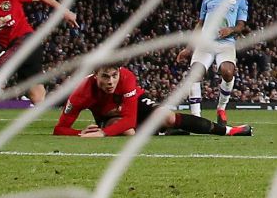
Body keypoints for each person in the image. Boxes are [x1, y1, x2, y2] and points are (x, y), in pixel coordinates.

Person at [53, 65, 252, 137]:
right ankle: (161, 131)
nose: (111, 81)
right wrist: (81, 133)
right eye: (105, 76)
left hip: (135, 102)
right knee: (127, 132)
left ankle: (228, 131)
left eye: (114, 75)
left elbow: (129, 119)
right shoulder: (81, 93)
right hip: (109, 115)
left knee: (165, 117)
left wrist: (103, 133)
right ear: (95, 75)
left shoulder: (127, 78)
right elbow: (60, 129)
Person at [177, 0, 247, 125]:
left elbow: (241, 25)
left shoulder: (240, 1)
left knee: (228, 72)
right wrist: (189, 48)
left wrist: (231, 29)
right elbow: (200, 24)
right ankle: (196, 117)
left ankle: (221, 108)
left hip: (226, 44)